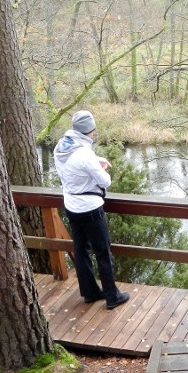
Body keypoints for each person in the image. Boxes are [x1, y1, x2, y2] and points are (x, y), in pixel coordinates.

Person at [54, 110, 130, 309]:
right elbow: (105, 181)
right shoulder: (84, 153)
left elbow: (73, 168)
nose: (94, 134)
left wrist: (94, 162)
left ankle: (89, 292)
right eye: (93, 131)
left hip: (71, 205)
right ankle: (112, 296)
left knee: (81, 250)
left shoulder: (61, 146)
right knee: (103, 252)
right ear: (90, 131)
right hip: (90, 209)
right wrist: (100, 167)